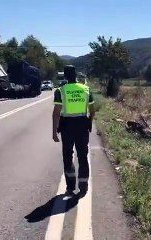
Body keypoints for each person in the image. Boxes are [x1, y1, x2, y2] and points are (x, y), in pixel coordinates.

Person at [52, 65, 95, 197]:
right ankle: (83, 186)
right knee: (82, 156)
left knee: (67, 156)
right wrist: (89, 123)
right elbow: (92, 111)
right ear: (76, 75)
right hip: (82, 125)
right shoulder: (86, 89)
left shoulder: (60, 91)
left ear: (64, 76)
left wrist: (54, 132)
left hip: (67, 126)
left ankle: (70, 187)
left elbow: (56, 113)